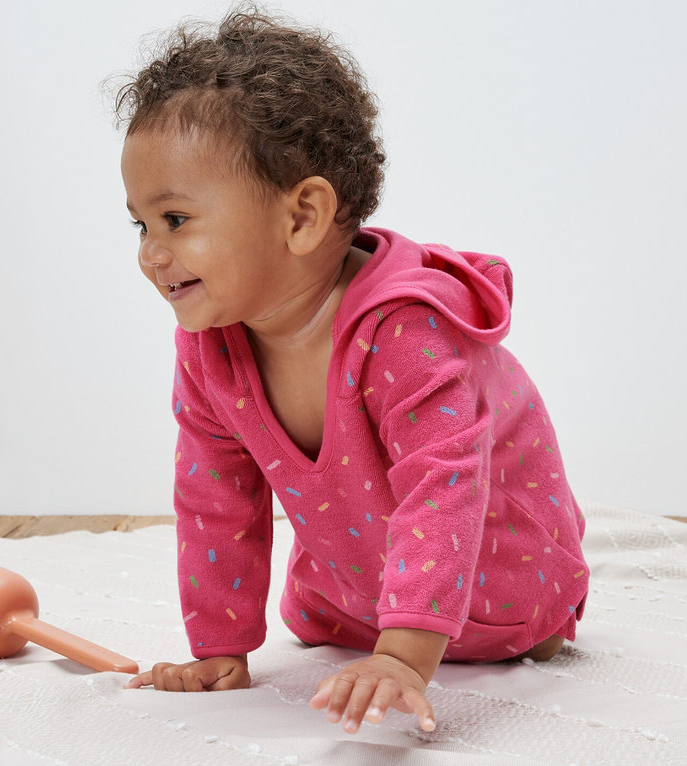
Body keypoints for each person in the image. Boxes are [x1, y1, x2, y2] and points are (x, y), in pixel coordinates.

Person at [116, 5, 589, 734]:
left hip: (499, 582)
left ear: (302, 216)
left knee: (521, 619)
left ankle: (462, 625)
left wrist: (401, 656)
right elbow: (215, 499)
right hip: (353, 597)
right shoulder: (212, 347)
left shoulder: (402, 332)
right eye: (140, 224)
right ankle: (380, 617)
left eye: (175, 220)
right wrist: (219, 647)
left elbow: (444, 485)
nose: (151, 251)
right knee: (312, 619)